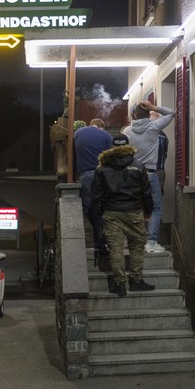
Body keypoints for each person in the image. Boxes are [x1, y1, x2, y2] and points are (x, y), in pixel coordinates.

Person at [91, 138, 155, 297]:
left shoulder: (102, 168)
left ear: (112, 148)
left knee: (116, 249)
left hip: (112, 212)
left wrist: (99, 213)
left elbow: (96, 195)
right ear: (128, 147)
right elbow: (146, 191)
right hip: (134, 211)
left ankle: (119, 284)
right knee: (137, 246)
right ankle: (136, 280)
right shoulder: (138, 166)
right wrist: (148, 211)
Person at [122, 100, 176, 253]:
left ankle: (134, 239)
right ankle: (151, 242)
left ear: (134, 115)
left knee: (134, 206)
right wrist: (153, 107)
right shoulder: (154, 127)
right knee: (156, 208)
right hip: (150, 174)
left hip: (132, 174)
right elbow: (171, 112)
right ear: (147, 114)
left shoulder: (126, 131)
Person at [73, 117, 112, 251]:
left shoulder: (78, 133)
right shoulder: (106, 136)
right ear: (101, 126)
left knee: (87, 207)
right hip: (101, 174)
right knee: (100, 208)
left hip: (84, 174)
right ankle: (100, 241)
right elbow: (109, 158)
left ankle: (88, 237)